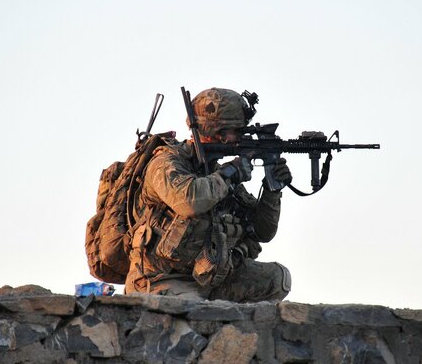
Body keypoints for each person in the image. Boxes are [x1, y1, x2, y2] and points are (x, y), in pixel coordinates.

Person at [124, 87, 296, 302]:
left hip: (211, 277)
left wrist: (272, 190)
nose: (242, 138)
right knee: (194, 310)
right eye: (238, 131)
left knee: (277, 279)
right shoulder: (166, 163)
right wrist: (231, 172)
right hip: (163, 279)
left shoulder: (217, 173)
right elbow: (189, 201)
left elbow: (263, 232)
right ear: (218, 133)